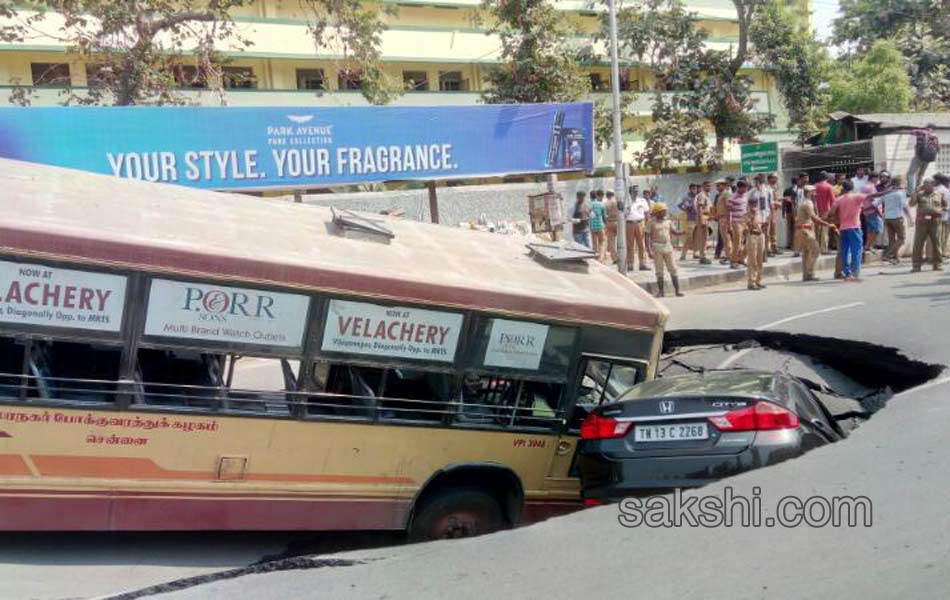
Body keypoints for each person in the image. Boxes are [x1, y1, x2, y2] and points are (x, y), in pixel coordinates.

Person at [797, 185, 837, 281]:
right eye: (813, 191)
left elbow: (814, 217)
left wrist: (823, 219)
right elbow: (814, 218)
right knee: (815, 250)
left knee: (806, 253)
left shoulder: (807, 202)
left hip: (805, 229)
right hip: (806, 230)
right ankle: (810, 273)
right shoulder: (808, 203)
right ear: (808, 192)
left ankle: (806, 274)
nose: (815, 192)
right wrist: (827, 224)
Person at [909, 178, 948, 272]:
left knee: (937, 243)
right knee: (918, 244)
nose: (926, 186)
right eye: (925, 184)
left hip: (935, 222)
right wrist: (915, 192)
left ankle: (937, 264)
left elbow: (945, 206)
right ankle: (916, 265)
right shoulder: (919, 194)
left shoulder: (939, 194)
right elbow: (911, 204)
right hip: (922, 222)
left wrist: (941, 211)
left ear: (933, 185)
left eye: (929, 184)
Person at [871, 175, 912, 264]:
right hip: (897, 218)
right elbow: (905, 206)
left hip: (887, 218)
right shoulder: (900, 193)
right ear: (900, 183)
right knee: (901, 238)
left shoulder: (886, 193)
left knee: (892, 240)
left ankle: (895, 258)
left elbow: (875, 204)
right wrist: (910, 218)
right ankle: (888, 255)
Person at [830, 180, 865, 281]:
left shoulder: (838, 199)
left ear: (842, 188)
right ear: (852, 188)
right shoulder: (856, 197)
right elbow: (868, 200)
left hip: (843, 228)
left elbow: (831, 212)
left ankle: (846, 272)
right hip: (854, 227)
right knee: (856, 250)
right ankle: (854, 272)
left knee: (844, 251)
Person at [646, 203, 684, 297]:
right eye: (663, 211)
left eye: (665, 211)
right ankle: (661, 291)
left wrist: (683, 232)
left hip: (668, 246)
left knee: (673, 268)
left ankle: (677, 291)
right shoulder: (651, 222)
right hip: (657, 247)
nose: (665, 212)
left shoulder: (668, 222)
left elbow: (674, 232)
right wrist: (649, 250)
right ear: (657, 212)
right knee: (659, 270)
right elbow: (646, 236)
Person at [906, 124, 941, 192]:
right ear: (933, 129)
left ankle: (911, 191)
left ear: (926, 127)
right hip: (928, 159)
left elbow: (910, 131)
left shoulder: (922, 132)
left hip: (919, 157)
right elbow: (938, 149)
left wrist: (896, 131)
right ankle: (918, 189)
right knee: (921, 174)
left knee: (910, 173)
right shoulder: (935, 137)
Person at [625, 185, 651, 271]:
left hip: (640, 223)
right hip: (629, 224)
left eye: (636, 192)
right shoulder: (625, 201)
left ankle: (642, 264)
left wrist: (648, 225)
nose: (635, 193)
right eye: (634, 192)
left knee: (641, 244)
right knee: (630, 245)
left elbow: (647, 213)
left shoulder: (642, 201)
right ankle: (630, 264)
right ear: (630, 192)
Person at [749, 175, 772, 263]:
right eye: (756, 181)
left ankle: (764, 256)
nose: (757, 183)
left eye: (758, 181)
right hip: (756, 217)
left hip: (765, 216)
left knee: (766, 236)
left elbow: (771, 204)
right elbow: (748, 204)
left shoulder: (768, 191)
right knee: (756, 236)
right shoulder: (752, 192)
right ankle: (757, 256)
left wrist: (770, 217)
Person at [745, 199, 766, 290]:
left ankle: (758, 280)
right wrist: (752, 215)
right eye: (752, 204)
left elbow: (761, 224)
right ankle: (751, 282)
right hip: (752, 237)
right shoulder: (747, 215)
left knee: (760, 259)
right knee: (752, 260)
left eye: (755, 204)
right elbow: (748, 228)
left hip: (760, 236)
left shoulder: (759, 213)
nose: (754, 206)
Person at [784, 173, 807, 254]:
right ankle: (796, 249)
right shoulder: (794, 190)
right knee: (797, 231)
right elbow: (793, 204)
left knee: (805, 231)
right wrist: (795, 215)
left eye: (807, 178)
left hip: (806, 214)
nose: (806, 180)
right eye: (804, 178)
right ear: (799, 180)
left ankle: (803, 248)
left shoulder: (807, 189)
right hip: (797, 213)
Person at [729, 179, 750, 268]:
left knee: (748, 241)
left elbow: (747, 207)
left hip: (745, 221)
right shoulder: (733, 197)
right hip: (736, 222)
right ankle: (733, 261)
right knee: (737, 242)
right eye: (744, 188)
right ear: (740, 187)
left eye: (746, 188)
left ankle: (741, 258)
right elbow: (728, 211)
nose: (745, 189)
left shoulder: (746, 195)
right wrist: (729, 223)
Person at [814, 172, 836, 254]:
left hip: (815, 211)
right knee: (824, 230)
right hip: (826, 210)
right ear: (827, 178)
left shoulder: (814, 186)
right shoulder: (829, 187)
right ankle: (824, 249)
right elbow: (833, 200)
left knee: (816, 230)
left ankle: (815, 248)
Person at [678, 183, 699, 261]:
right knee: (688, 237)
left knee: (696, 237)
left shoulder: (697, 197)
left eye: (696, 189)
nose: (695, 190)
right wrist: (686, 210)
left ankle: (695, 253)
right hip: (691, 219)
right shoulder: (687, 198)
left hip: (698, 219)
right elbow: (682, 205)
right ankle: (683, 254)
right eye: (693, 189)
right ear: (690, 189)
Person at [694, 181, 713, 264]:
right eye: (707, 186)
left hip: (706, 217)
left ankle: (703, 256)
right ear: (703, 186)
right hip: (702, 218)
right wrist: (701, 219)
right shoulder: (702, 195)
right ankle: (702, 257)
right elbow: (700, 208)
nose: (709, 187)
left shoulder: (706, 195)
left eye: (710, 186)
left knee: (705, 238)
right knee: (703, 238)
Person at [934, 174, 950, 258]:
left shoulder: (941, 190)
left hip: (943, 215)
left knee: (942, 234)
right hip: (945, 214)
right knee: (945, 235)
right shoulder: (946, 190)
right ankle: (944, 252)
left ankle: (943, 252)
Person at [767, 173, 782, 256]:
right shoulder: (767, 189)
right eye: (774, 178)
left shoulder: (775, 188)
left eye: (776, 178)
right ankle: (768, 249)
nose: (776, 180)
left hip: (775, 212)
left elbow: (775, 198)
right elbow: (769, 200)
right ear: (769, 179)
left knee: (774, 231)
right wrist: (777, 203)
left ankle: (774, 247)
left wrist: (780, 200)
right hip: (768, 212)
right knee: (768, 231)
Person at [590, 190, 607, 261]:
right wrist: (605, 224)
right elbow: (604, 216)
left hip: (592, 226)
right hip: (600, 225)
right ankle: (601, 257)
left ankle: (595, 257)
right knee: (602, 242)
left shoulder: (589, 204)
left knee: (594, 242)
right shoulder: (601, 204)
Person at [604, 190, 620, 263]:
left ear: (607, 195)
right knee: (621, 240)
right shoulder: (617, 202)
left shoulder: (606, 203)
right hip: (618, 222)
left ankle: (615, 258)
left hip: (610, 222)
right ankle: (622, 256)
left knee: (611, 242)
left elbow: (605, 215)